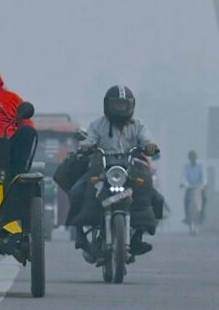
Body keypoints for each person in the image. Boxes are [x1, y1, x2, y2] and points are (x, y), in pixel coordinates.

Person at [68, 85, 160, 258]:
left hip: (130, 170)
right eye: (117, 105)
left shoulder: (138, 125)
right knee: (76, 191)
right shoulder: (97, 125)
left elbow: (148, 141)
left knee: (153, 195)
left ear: (131, 106)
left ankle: (138, 236)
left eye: (124, 105)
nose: (120, 109)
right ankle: (80, 235)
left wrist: (150, 146)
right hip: (101, 168)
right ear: (107, 105)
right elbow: (88, 140)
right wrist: (86, 146)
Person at [182, 150, 206, 225]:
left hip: (199, 186)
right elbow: (184, 177)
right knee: (186, 200)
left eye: (194, 158)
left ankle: (202, 214)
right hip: (190, 187)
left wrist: (204, 184)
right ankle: (187, 217)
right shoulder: (186, 166)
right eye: (191, 158)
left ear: (196, 157)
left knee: (205, 198)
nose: (193, 159)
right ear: (189, 158)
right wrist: (184, 184)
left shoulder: (201, 165)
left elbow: (204, 176)